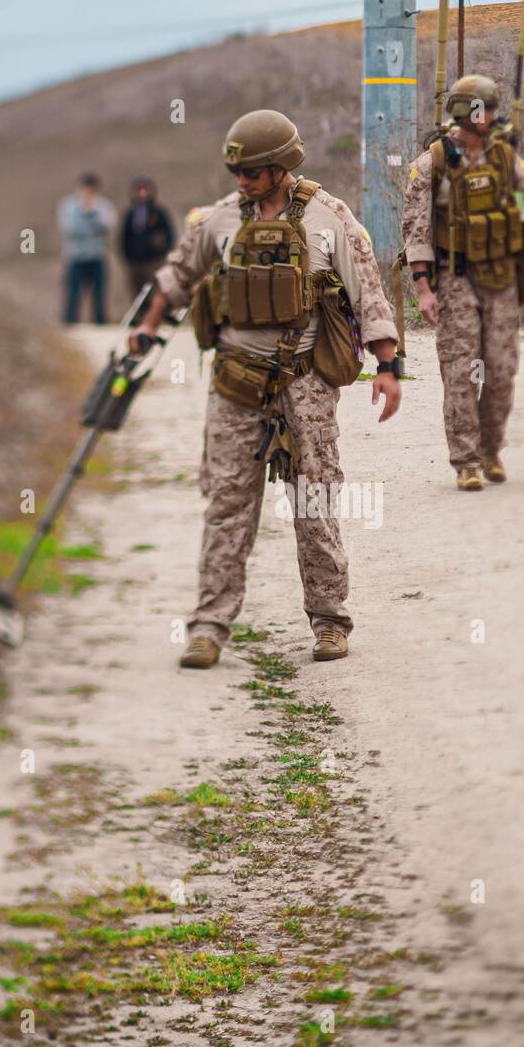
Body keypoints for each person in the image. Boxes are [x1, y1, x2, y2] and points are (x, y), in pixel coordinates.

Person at [131, 109, 402, 668]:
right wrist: (148, 324)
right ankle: (208, 626)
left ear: (281, 167)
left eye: (253, 172)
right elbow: (178, 274)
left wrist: (387, 365)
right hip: (236, 382)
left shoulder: (330, 218)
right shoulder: (220, 220)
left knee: (315, 500)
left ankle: (329, 621)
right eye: (238, 172)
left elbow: (367, 290)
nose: (243, 182)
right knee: (227, 504)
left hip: (304, 381)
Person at [401, 74, 524, 490]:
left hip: (501, 277)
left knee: (501, 370)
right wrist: (423, 288)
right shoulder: (432, 163)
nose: (495, 117)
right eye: (487, 110)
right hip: (455, 278)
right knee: (461, 371)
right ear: (470, 114)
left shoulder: (507, 160)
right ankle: (466, 460)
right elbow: (416, 230)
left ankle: (491, 450)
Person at [56, 173, 116, 325]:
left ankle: (100, 324)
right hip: (76, 256)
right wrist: (87, 218)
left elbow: (108, 226)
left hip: (98, 256)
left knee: (99, 295)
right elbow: (70, 229)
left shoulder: (103, 206)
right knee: (73, 294)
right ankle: (70, 324)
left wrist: (93, 213)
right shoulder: (68, 206)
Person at [120, 176, 175, 300]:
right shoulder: (130, 213)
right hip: (135, 260)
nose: (142, 193)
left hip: (153, 259)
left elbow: (168, 234)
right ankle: (138, 317)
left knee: (152, 289)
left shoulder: (158, 212)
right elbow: (124, 236)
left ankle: (152, 316)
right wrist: (127, 256)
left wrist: (164, 252)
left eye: (145, 190)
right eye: (139, 190)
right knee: (136, 291)